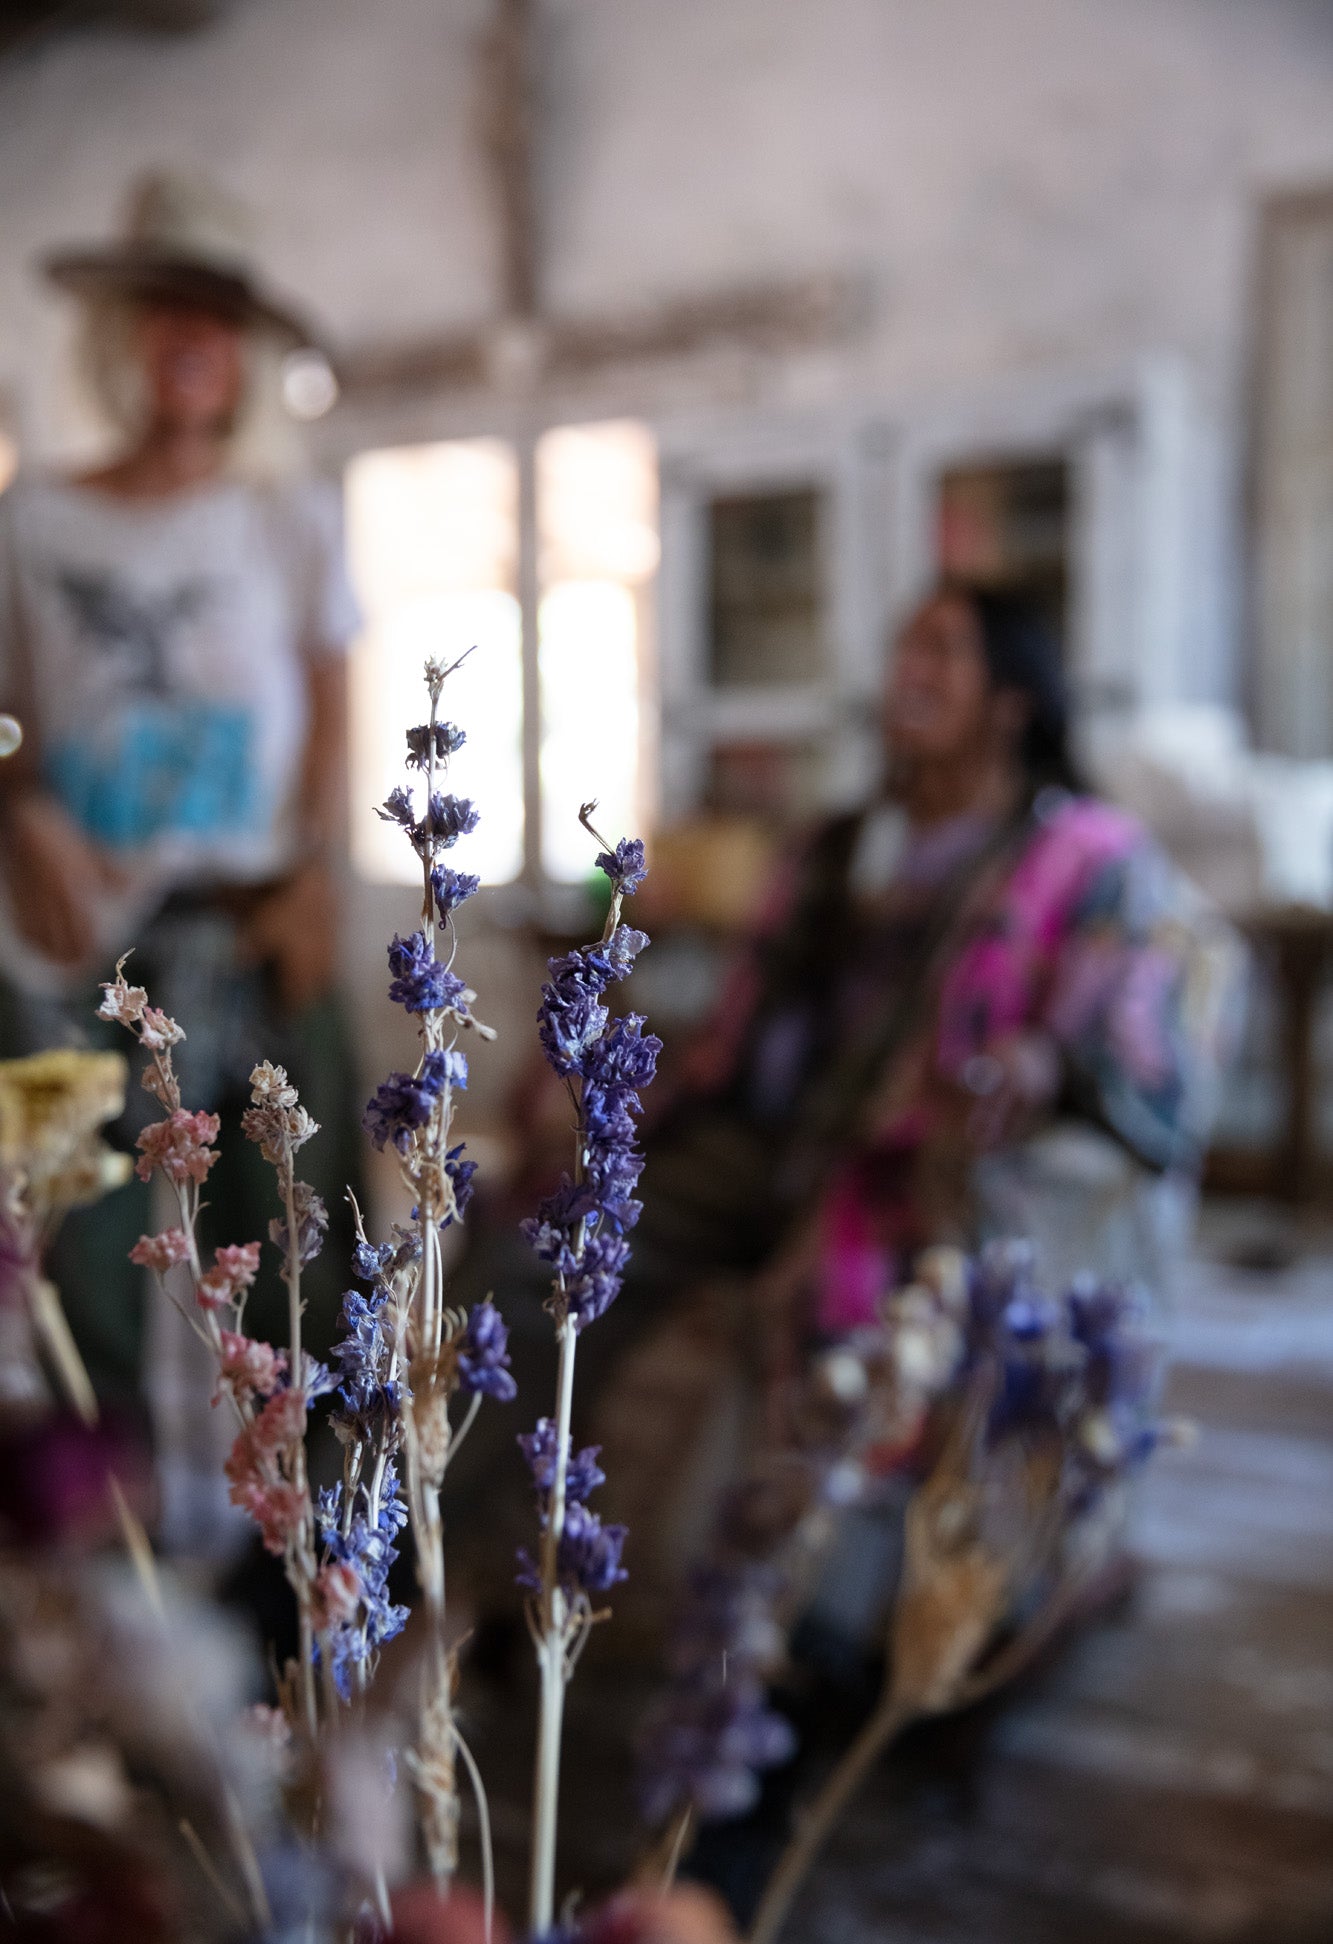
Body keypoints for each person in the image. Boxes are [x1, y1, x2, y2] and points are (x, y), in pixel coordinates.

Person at [446, 582, 1237, 1610]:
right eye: (903, 647)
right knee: (549, 1238)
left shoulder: (1083, 858)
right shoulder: (836, 846)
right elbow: (744, 1028)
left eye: (941, 650)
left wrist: (1042, 1059)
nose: (906, 671)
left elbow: (1137, 1035)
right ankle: (429, 1566)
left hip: (913, 1168)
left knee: (844, 1316)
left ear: (1011, 701)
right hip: (769, 1145)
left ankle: (817, 1628)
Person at [0, 173, 360, 1528]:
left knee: (303, 1260)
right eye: (164, 309)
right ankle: (105, 1579)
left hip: (251, 934)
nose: (190, 340)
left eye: (217, 316)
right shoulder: (32, 524)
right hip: (63, 952)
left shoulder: (289, 522)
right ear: (123, 332)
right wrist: (20, 801)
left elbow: (333, 719)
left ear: (247, 350)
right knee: (64, 1260)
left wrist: (318, 874)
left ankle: (317, 1569)